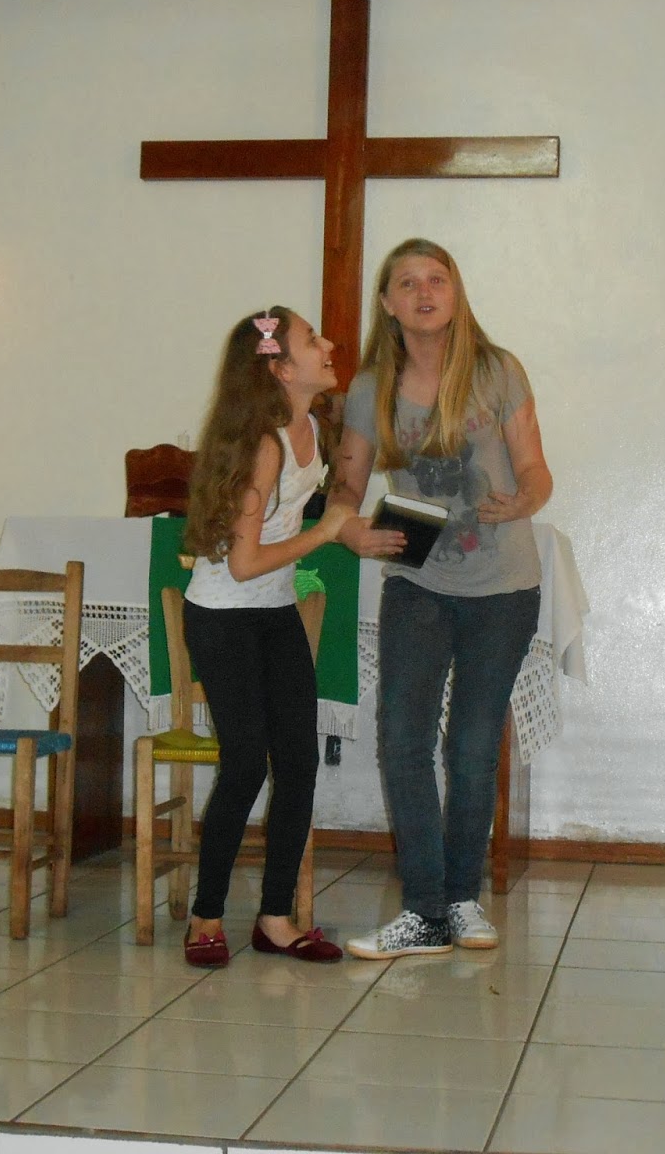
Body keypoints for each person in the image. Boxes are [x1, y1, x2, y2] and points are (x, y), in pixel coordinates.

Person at [328, 238, 553, 960]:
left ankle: (462, 901)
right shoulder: (370, 387)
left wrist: (524, 499)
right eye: (407, 283)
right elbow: (345, 485)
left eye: (437, 279)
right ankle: (422, 911)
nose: (424, 293)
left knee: (473, 745)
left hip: (503, 586)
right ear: (388, 303)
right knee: (403, 739)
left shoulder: (497, 370)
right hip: (416, 577)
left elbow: (538, 471)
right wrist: (349, 526)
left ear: (455, 294)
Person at [177, 306, 357, 968]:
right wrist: (325, 533)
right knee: (247, 762)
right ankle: (206, 915)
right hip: (223, 616)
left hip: (275, 610)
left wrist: (349, 522)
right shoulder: (263, 445)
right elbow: (244, 563)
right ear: (280, 368)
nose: (328, 343)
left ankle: (276, 920)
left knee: (300, 763)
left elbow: (305, 520)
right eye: (313, 339)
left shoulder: (314, 427)